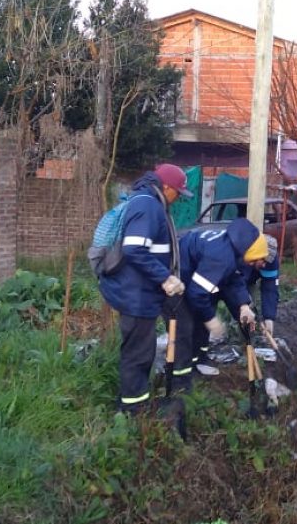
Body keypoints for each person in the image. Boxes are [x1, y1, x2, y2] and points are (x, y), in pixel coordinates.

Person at [97, 163, 192, 415]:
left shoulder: (151, 202)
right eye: (178, 193)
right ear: (167, 187)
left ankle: (135, 401)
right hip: (136, 295)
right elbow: (134, 249)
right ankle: (131, 409)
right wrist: (165, 278)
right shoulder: (148, 206)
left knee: (142, 350)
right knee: (138, 353)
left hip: (141, 294)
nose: (178, 199)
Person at [173, 218, 269, 390]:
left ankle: (199, 359)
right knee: (187, 325)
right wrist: (211, 319)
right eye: (259, 259)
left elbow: (234, 278)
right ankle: (181, 378)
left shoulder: (235, 250)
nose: (260, 264)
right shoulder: (221, 257)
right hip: (182, 272)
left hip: (198, 271)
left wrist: (244, 305)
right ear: (252, 253)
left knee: (201, 318)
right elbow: (197, 292)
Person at [203, 235, 280, 374]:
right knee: (210, 310)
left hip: (244, 282)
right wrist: (243, 302)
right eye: (262, 261)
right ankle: (202, 346)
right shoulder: (240, 256)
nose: (264, 265)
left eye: (267, 262)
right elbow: (234, 285)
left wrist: (269, 317)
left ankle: (249, 342)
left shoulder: (270, 261)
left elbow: (270, 289)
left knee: (249, 316)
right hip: (220, 281)